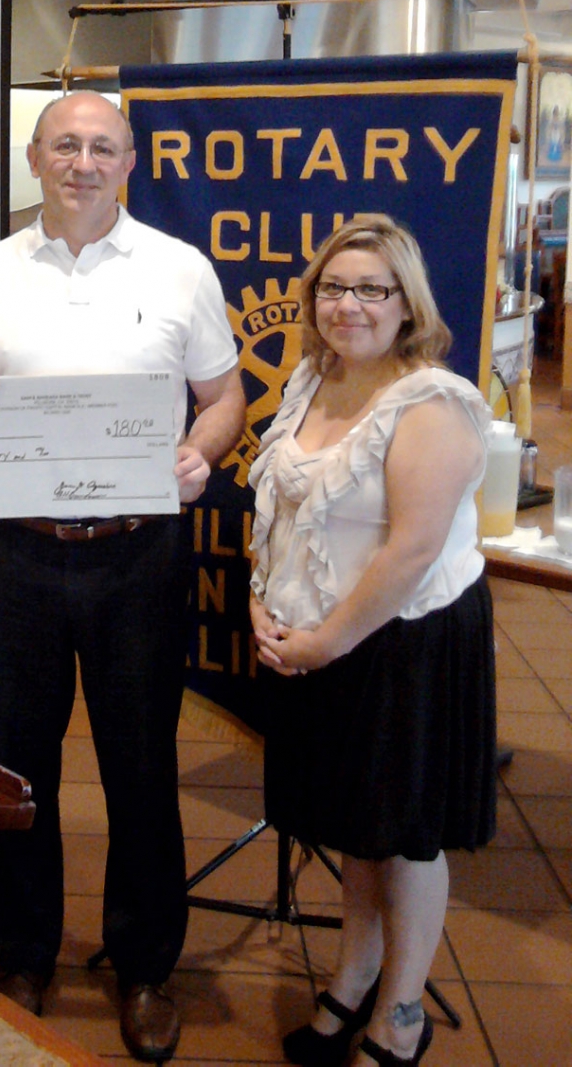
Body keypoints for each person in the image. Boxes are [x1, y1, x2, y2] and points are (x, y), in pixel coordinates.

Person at [0, 91, 244, 1062]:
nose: (82, 160)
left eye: (101, 146)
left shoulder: (179, 269)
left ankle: (145, 964)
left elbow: (224, 395)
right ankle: (23, 954)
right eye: (64, 143)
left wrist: (200, 450)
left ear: (129, 162)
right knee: (17, 766)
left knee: (141, 767)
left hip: (138, 550)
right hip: (16, 553)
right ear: (34, 158)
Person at [248, 214, 496, 1067]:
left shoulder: (431, 401)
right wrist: (260, 602)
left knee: (406, 835)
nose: (347, 305)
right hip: (322, 640)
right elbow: (278, 509)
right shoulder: (313, 381)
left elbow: (412, 550)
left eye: (370, 290)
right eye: (332, 287)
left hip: (403, 647)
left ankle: (400, 1012)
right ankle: (352, 980)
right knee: (356, 827)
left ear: (405, 304)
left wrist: (324, 642)